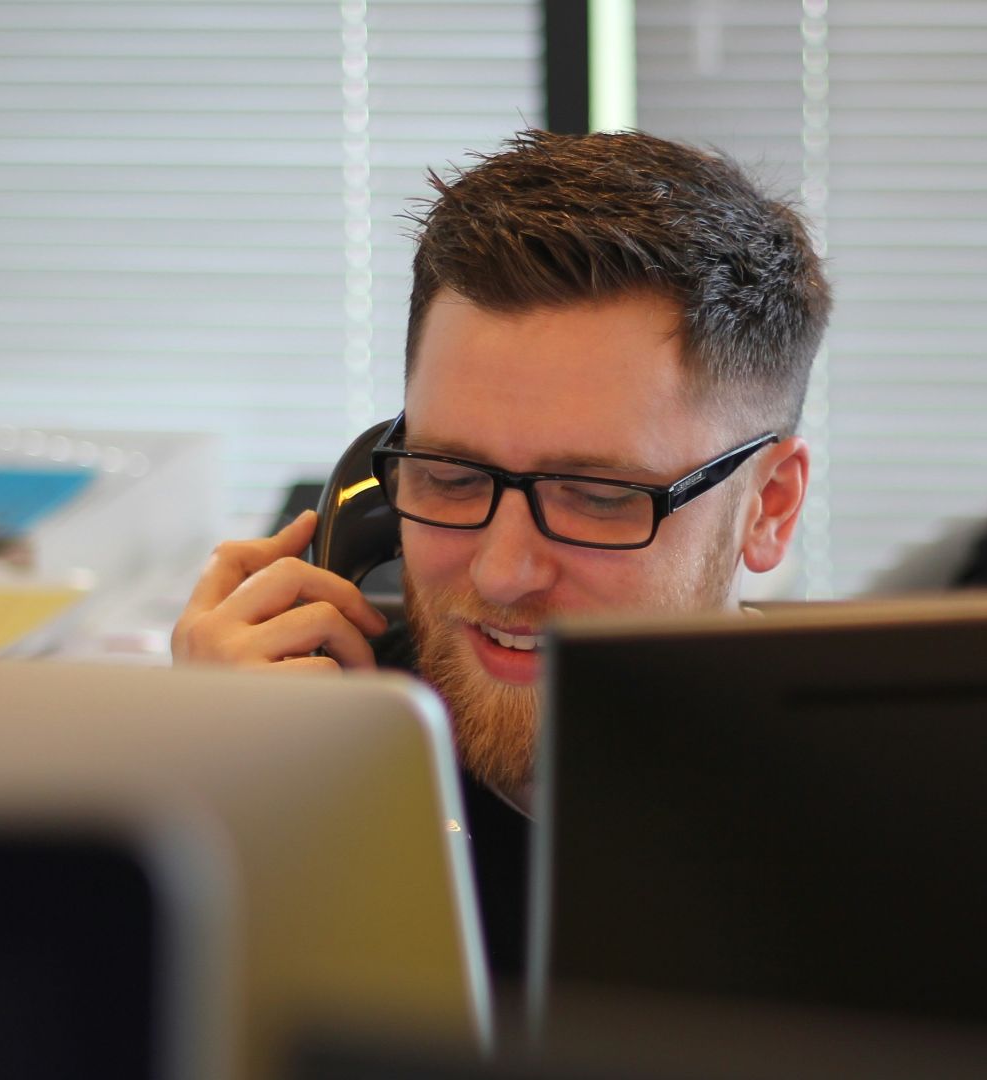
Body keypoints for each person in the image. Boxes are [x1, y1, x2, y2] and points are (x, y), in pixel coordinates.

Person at [173, 129, 830, 978]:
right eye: (449, 476)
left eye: (597, 497)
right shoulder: (296, 754)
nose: (500, 573)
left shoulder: (897, 841)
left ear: (768, 507)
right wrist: (199, 798)